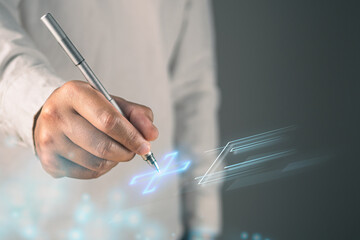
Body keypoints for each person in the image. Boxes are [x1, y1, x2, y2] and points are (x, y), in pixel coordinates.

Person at [0, 0, 221, 239]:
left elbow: (192, 88)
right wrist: (37, 104)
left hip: (157, 223)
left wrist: (203, 222)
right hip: (40, 221)